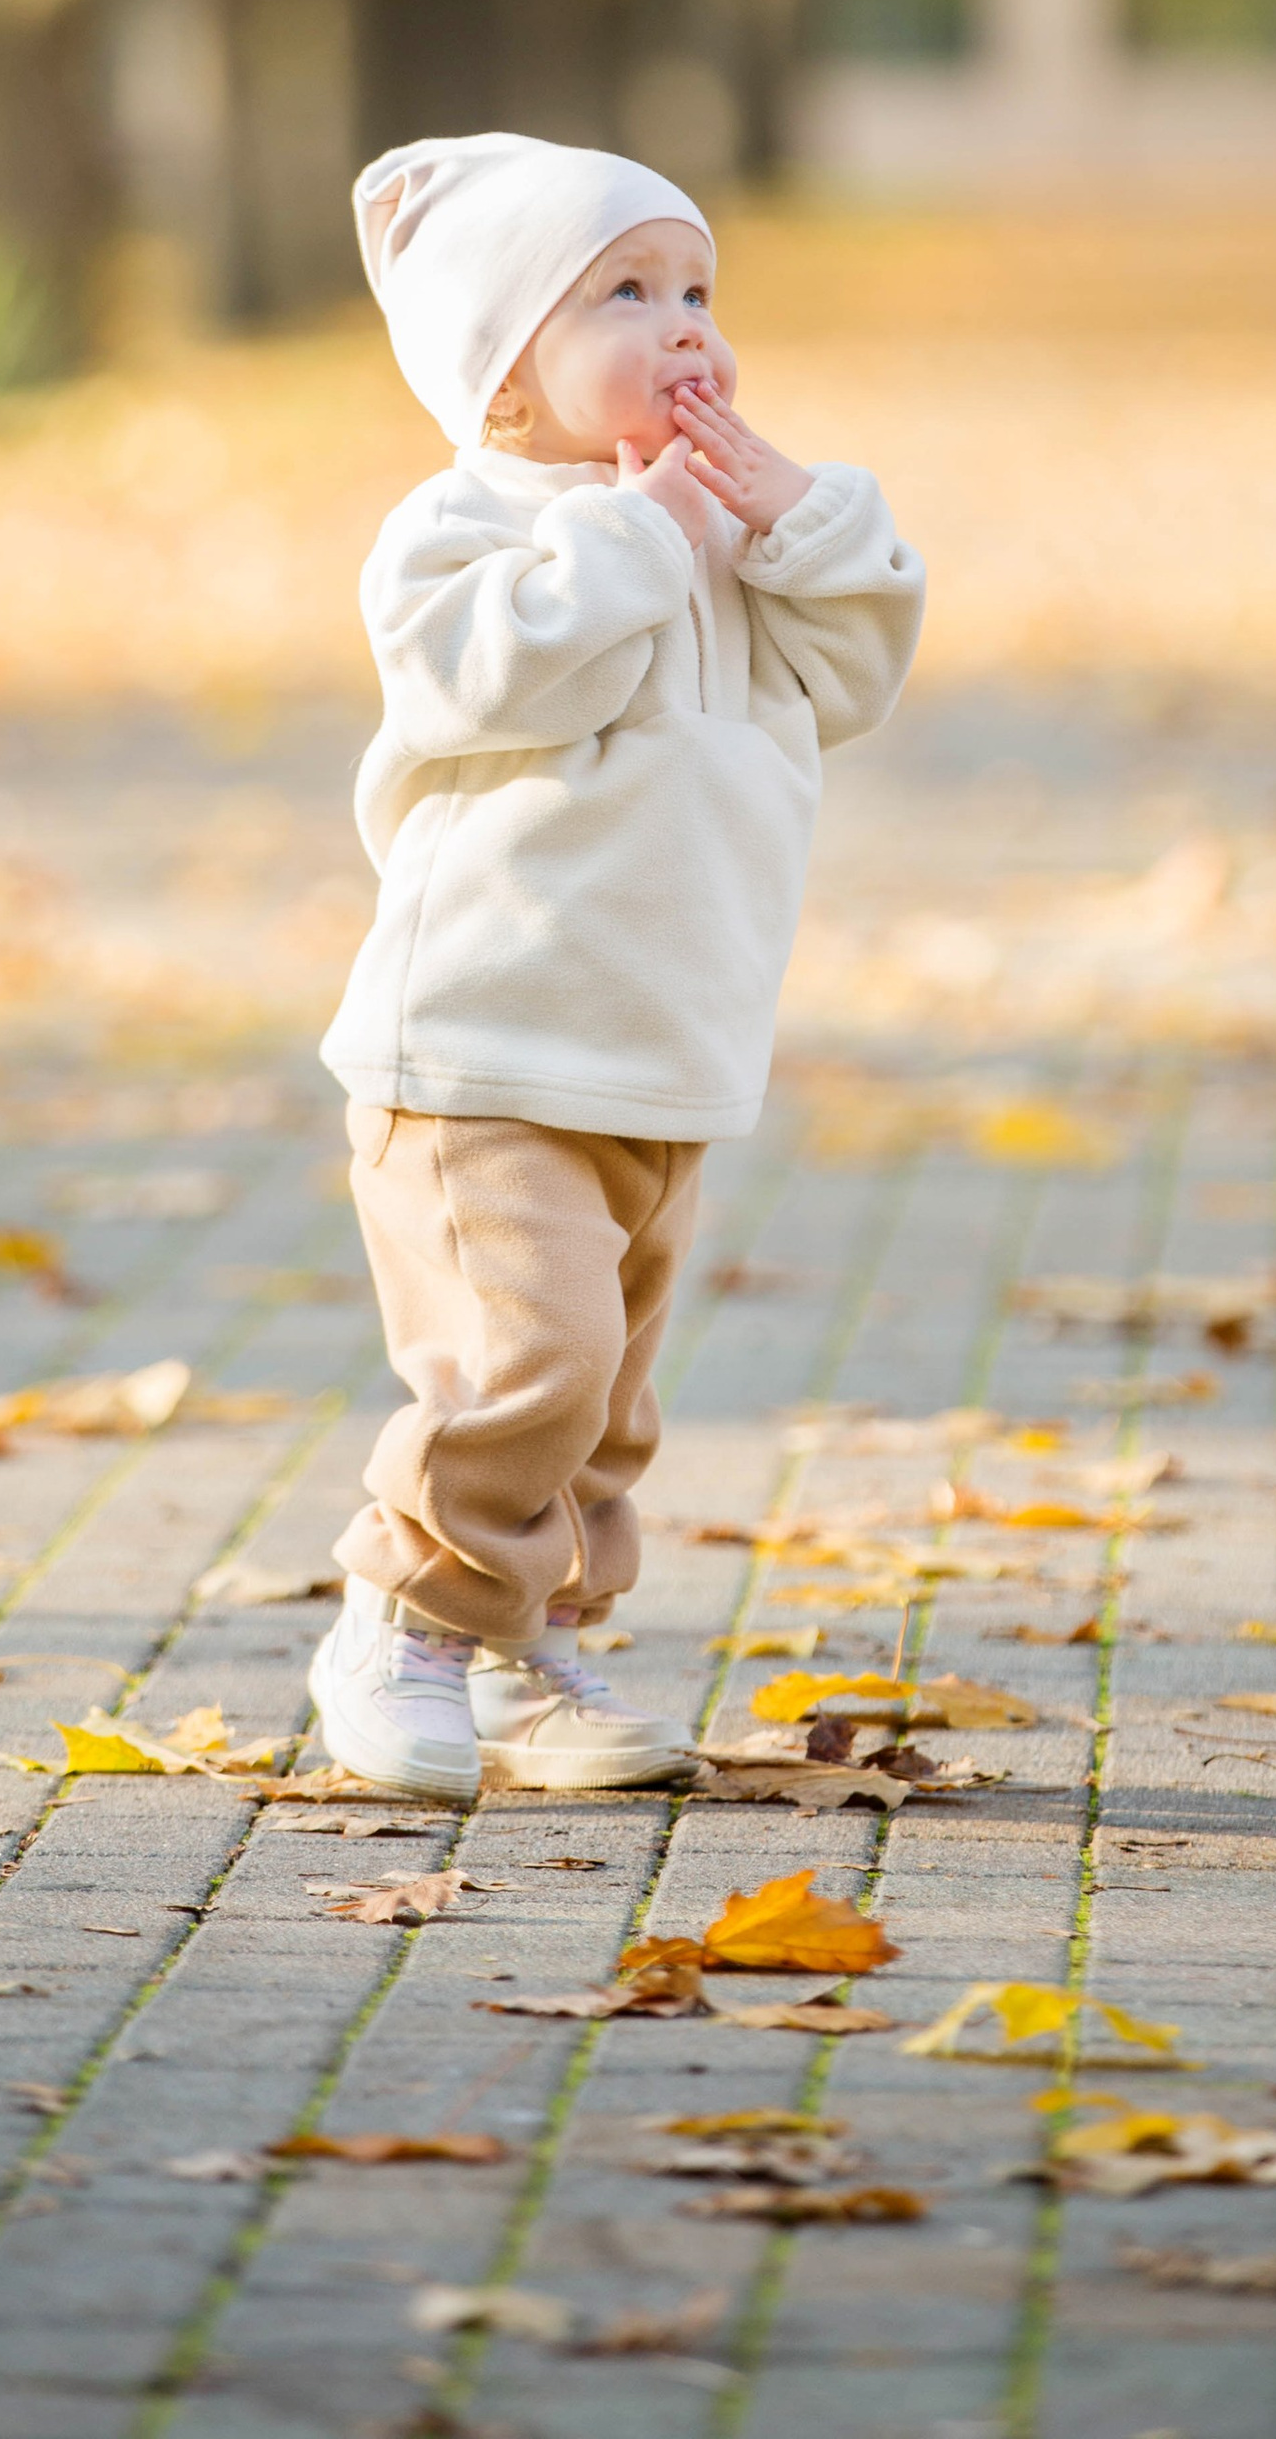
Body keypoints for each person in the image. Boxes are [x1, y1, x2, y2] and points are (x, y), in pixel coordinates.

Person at [308, 133, 926, 1795]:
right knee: (531, 1363)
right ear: (505, 373)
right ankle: (402, 1624)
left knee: (606, 1407)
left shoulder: (724, 532)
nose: (687, 330)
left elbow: (852, 674)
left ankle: (530, 1655)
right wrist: (642, 533)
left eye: (701, 291)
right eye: (626, 294)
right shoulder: (461, 529)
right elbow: (485, 677)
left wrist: (797, 517)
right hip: (483, 1052)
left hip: (662, 1057)